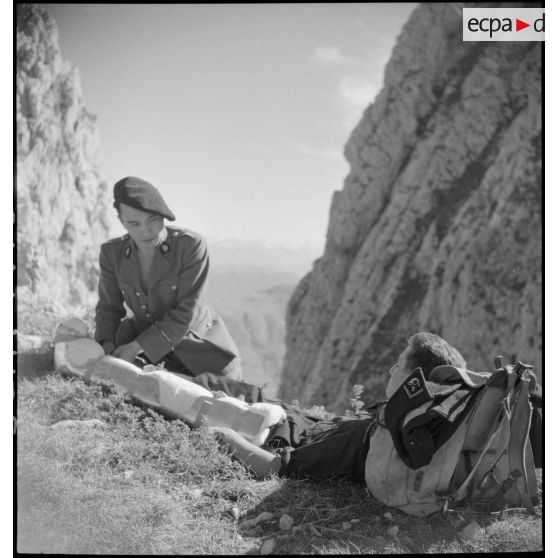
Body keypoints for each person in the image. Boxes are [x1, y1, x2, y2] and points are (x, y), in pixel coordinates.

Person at [210, 332, 468, 481]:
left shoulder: (363, 439)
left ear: (415, 381)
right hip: (290, 416)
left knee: (193, 386)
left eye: (399, 364)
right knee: (231, 388)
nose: (391, 369)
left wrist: (226, 436)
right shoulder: (391, 428)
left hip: (274, 426)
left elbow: (274, 467)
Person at [94, 176, 243, 380]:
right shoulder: (112, 253)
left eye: (152, 220)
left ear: (163, 216)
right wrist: (106, 344)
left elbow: (188, 312)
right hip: (145, 354)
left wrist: (137, 347)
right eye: (134, 223)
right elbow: (109, 308)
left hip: (201, 357)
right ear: (121, 221)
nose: (145, 231)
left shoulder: (191, 246)